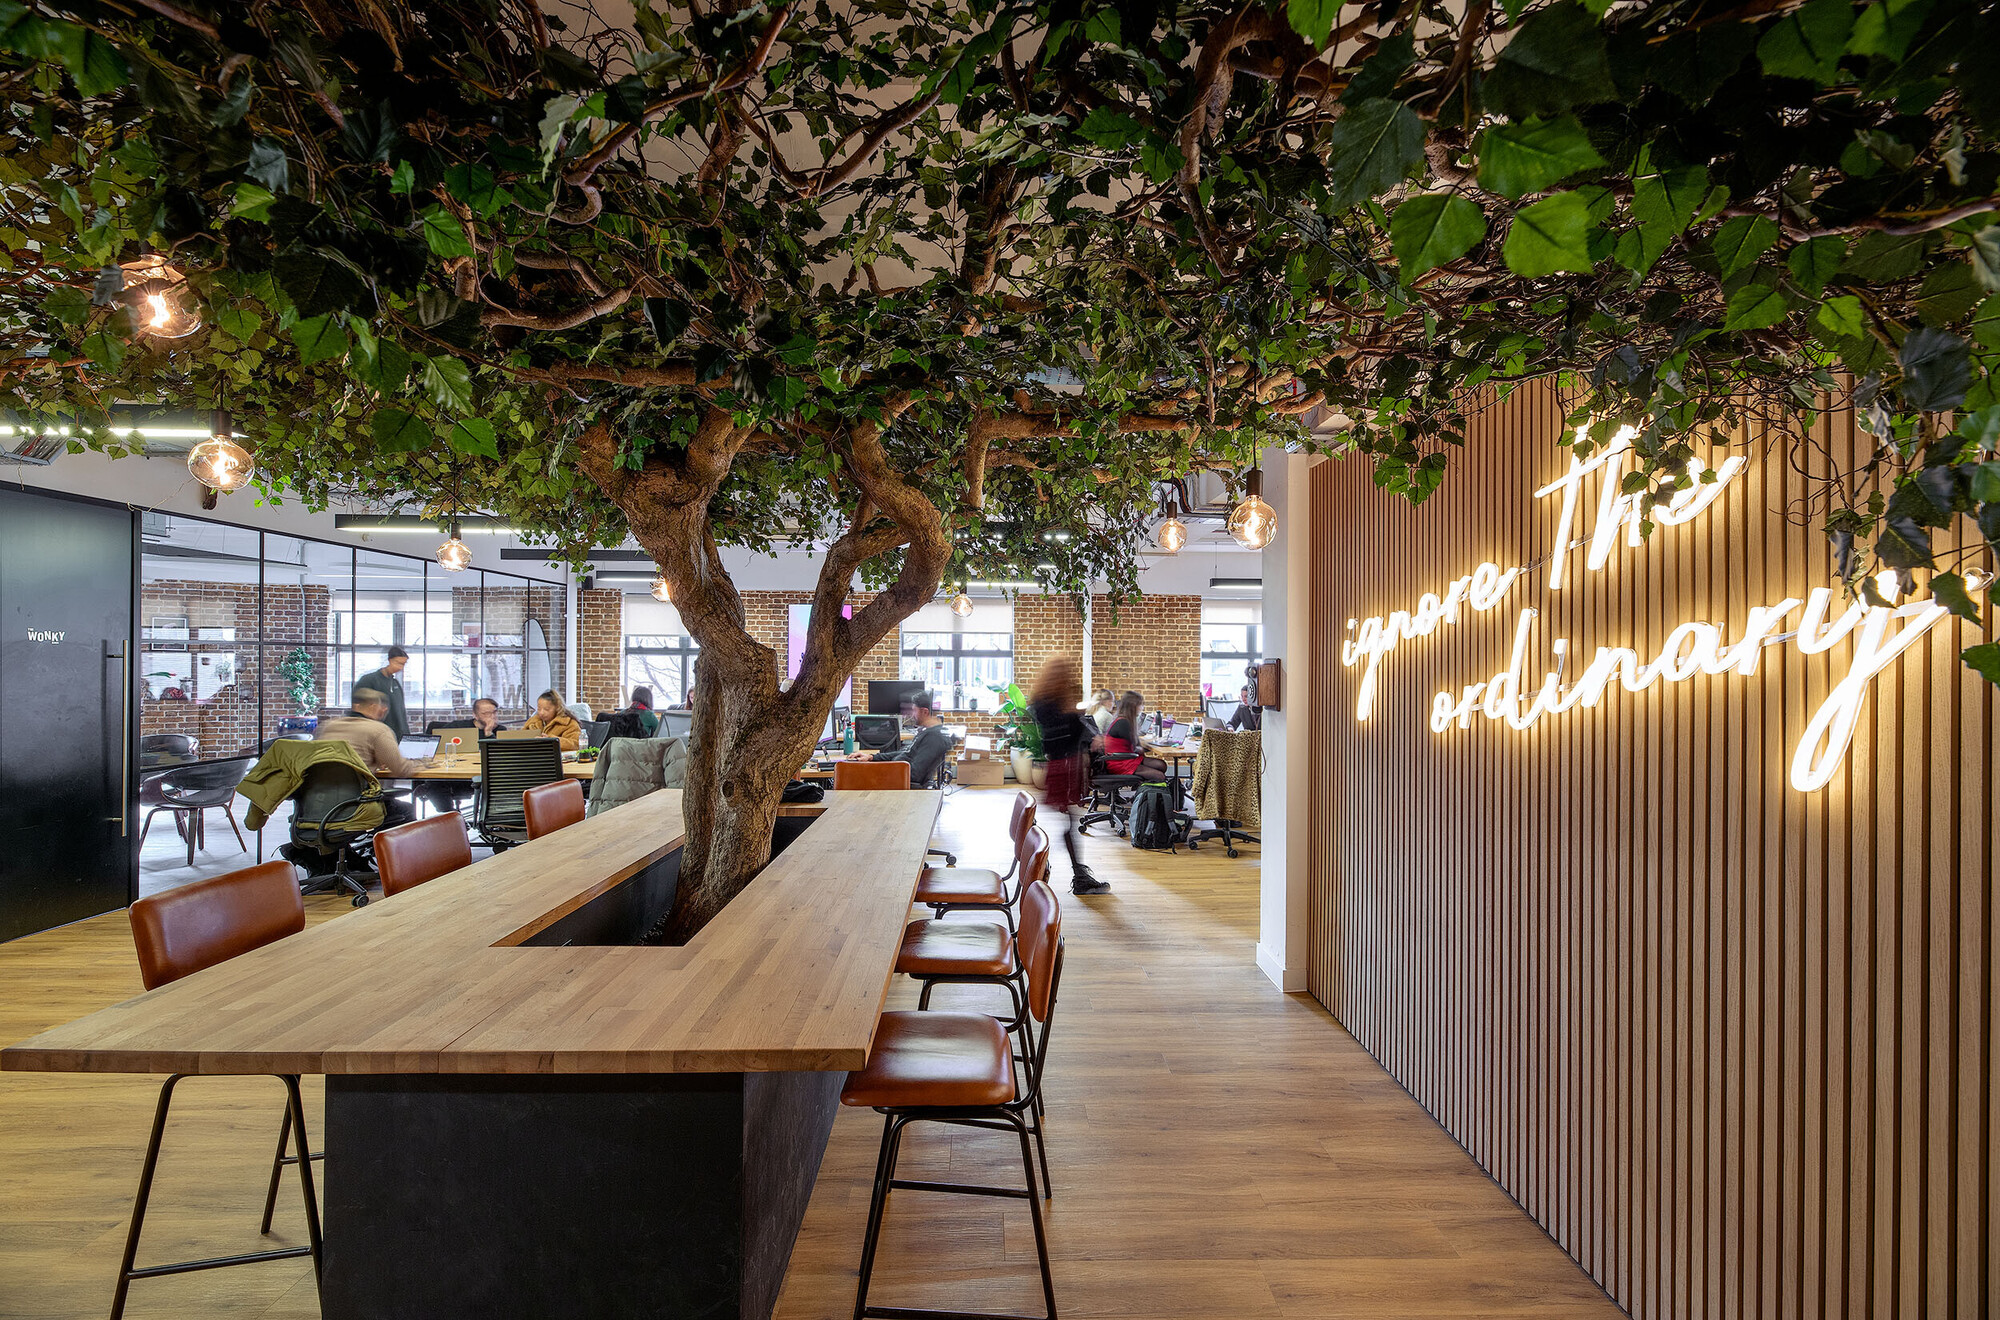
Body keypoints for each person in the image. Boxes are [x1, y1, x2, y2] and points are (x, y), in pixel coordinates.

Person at [1029, 657, 1110, 895]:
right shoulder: (1054, 705)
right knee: (1070, 823)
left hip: (1060, 765)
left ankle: (1077, 873)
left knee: (1070, 822)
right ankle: (1079, 876)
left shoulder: (1044, 702)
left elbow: (1065, 732)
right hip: (1065, 766)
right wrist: (1088, 734)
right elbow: (1065, 734)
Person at [314, 688, 424, 826]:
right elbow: (400, 769)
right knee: (405, 810)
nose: (384, 710)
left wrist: (374, 761)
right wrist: (420, 763)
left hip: (317, 804)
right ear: (372, 706)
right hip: (358, 805)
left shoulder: (328, 726)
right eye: (382, 706)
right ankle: (382, 847)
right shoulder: (378, 730)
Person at [845, 689, 952, 786]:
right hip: (896, 775)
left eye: (914, 710)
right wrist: (872, 757)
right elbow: (905, 754)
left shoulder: (933, 737)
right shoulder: (926, 731)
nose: (912, 715)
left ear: (925, 712)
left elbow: (915, 774)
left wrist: (880, 770)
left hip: (900, 782)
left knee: (851, 774)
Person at [1103, 690, 1169, 779]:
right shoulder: (1123, 723)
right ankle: (1145, 791)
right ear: (1133, 706)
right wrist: (1145, 747)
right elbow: (1135, 748)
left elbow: (1135, 747)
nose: (1142, 708)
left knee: (1161, 765)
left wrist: (1143, 747)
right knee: (1159, 776)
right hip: (1120, 763)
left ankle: (1145, 786)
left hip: (1126, 758)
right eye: (1141, 705)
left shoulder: (1123, 720)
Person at [355, 646, 411, 738]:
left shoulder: (395, 683)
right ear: (389, 660)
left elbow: (401, 713)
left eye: (403, 664)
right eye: (398, 663)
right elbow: (358, 708)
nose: (400, 667)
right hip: (377, 735)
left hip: (397, 735)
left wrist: (406, 736)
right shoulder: (369, 680)